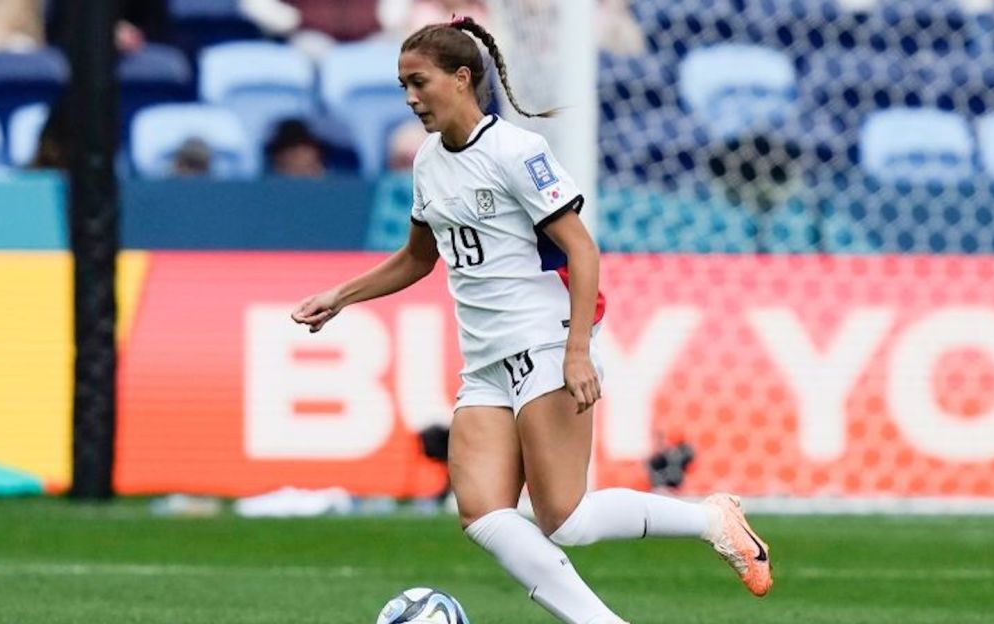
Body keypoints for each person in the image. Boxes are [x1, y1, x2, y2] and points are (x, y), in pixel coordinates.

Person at [291, 16, 772, 624]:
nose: (410, 98)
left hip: (545, 347)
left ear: (462, 78)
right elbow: (418, 258)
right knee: (482, 512)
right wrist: (341, 296)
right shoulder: (427, 163)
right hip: (486, 362)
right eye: (402, 86)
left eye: (419, 82)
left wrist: (576, 351)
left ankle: (712, 519)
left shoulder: (517, 152)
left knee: (565, 520)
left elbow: (582, 249)